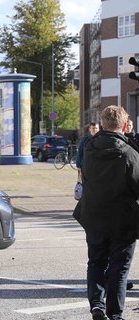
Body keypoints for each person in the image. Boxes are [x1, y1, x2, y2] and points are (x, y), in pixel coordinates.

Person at [73, 105, 139, 320]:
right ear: (124, 124)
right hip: (122, 219)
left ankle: (96, 305)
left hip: (93, 215)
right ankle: (115, 313)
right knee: (119, 268)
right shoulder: (129, 153)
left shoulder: (89, 148)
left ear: (102, 123)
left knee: (96, 262)